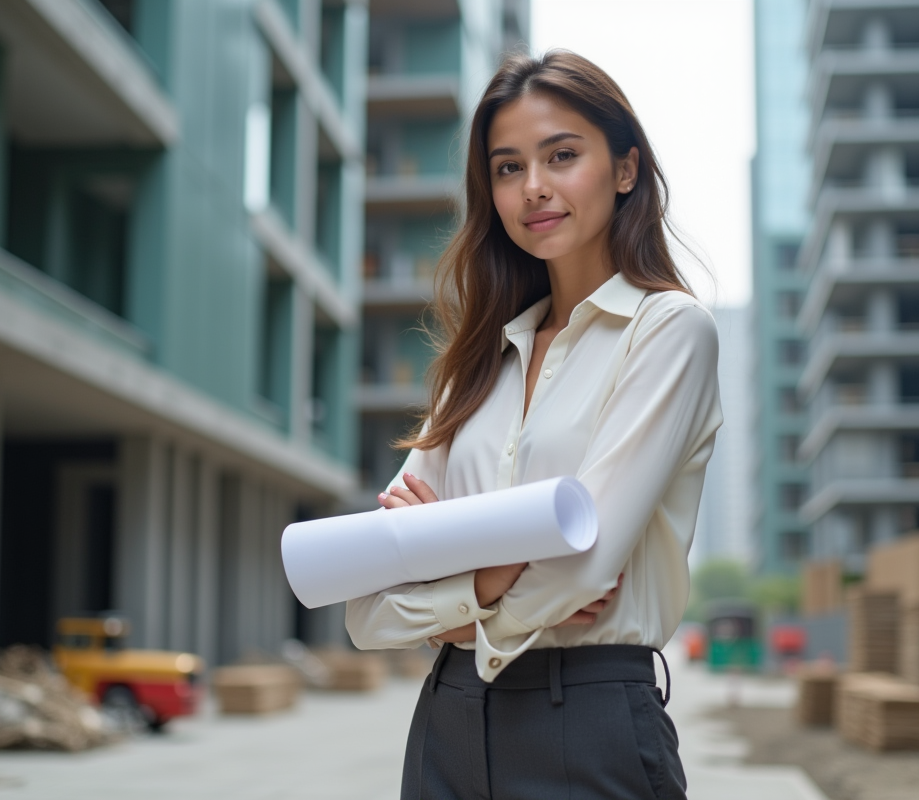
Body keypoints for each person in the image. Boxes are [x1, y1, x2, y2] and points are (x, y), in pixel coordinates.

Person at [346, 50, 722, 800]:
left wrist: (447, 564)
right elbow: (364, 608)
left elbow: (589, 565)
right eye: (508, 167)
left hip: (586, 717)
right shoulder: (476, 365)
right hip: (447, 722)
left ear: (625, 170)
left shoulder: (669, 331)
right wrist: (498, 572)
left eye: (562, 155)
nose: (535, 188)